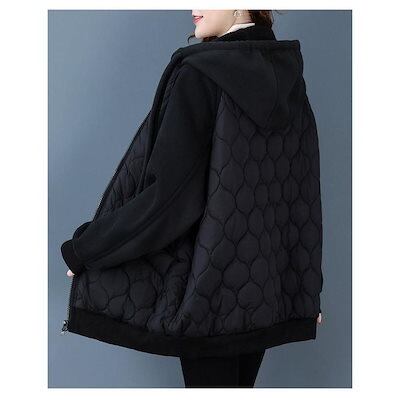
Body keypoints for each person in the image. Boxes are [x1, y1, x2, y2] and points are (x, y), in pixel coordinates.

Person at [61, 9, 324, 388]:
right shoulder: (287, 73)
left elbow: (168, 201)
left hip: (209, 296)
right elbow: (300, 198)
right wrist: (306, 290)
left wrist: (86, 249)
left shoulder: (201, 75)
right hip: (263, 294)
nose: (192, 6)